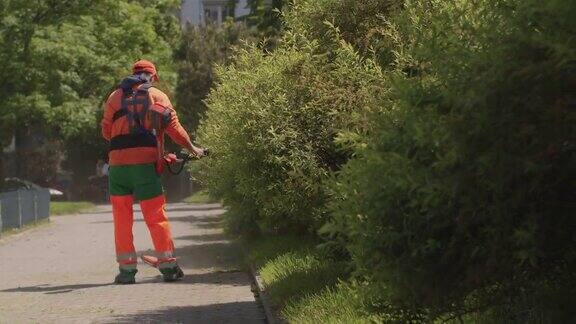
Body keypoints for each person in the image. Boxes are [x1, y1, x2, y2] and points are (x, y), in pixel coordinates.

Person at [101, 59, 204, 284]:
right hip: (145, 167)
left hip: (118, 167)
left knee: (121, 218)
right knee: (155, 216)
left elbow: (107, 132)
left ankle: (126, 272)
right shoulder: (157, 96)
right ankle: (168, 267)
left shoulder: (114, 97)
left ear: (134, 74)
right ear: (153, 77)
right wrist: (193, 149)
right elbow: (174, 129)